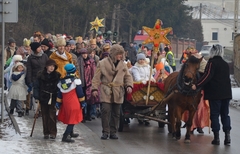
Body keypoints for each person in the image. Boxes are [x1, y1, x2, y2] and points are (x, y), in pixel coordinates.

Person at [192, 44, 232, 145]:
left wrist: (197, 85)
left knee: (214, 115)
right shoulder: (225, 64)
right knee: (225, 115)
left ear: (213, 52)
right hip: (226, 94)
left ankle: (217, 138)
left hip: (215, 94)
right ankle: (227, 137)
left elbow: (207, 77)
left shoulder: (211, 63)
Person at [91, 44, 133, 140]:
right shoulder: (102, 63)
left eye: (121, 54)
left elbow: (128, 76)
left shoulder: (123, 64)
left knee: (116, 113)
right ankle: (105, 131)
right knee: (105, 111)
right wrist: (94, 89)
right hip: (106, 89)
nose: (120, 56)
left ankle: (113, 132)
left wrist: (129, 85)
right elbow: (96, 78)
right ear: (114, 54)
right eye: (118, 54)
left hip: (118, 91)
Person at [56, 63, 85, 143]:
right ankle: (65, 136)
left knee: (70, 117)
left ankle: (71, 133)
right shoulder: (76, 81)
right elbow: (80, 93)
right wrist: (82, 102)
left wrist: (58, 103)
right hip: (74, 102)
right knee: (72, 119)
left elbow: (60, 94)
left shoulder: (62, 81)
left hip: (66, 103)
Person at [34, 59, 61, 139]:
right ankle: (46, 132)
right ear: (46, 67)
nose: (52, 68)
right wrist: (37, 96)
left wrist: (59, 97)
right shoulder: (40, 75)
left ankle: (53, 132)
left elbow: (59, 87)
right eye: (50, 66)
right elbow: (36, 86)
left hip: (53, 97)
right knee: (45, 115)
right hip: (43, 96)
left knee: (52, 115)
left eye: (53, 66)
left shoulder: (57, 75)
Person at [77, 48, 97, 121]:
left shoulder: (91, 61)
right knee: (82, 99)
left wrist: (93, 81)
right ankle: (82, 115)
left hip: (89, 82)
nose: (84, 55)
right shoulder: (78, 61)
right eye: (83, 54)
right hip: (81, 83)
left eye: (85, 53)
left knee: (90, 100)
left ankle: (88, 114)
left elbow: (94, 72)